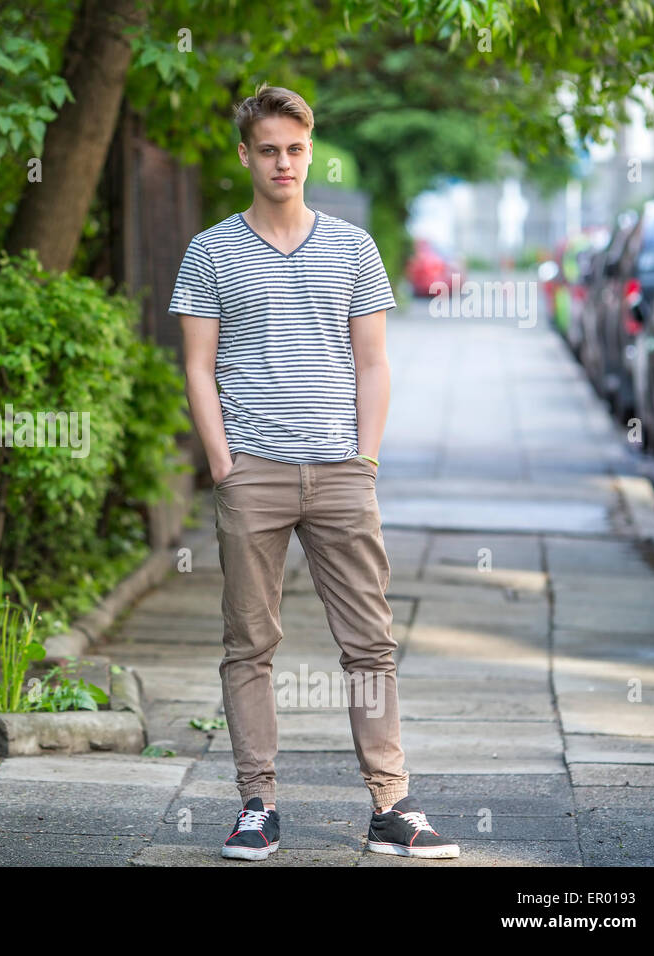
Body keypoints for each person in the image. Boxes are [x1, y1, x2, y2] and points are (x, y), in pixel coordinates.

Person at [168, 83, 459, 861]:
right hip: (253, 472)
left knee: (370, 644)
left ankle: (391, 806)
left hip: (340, 473)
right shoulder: (212, 250)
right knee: (248, 644)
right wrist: (222, 462)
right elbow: (197, 367)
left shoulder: (353, 247)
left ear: (309, 149)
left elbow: (374, 362)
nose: (284, 162)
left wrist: (364, 459)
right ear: (246, 155)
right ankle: (257, 804)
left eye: (296, 149)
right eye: (269, 149)